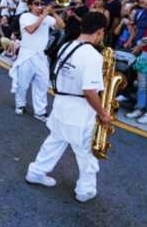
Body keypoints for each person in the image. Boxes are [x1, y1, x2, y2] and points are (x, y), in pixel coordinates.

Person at [25, 12, 112, 203]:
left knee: (55, 140)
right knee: (86, 152)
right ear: (99, 32)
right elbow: (90, 91)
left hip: (61, 104)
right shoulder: (92, 56)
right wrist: (103, 113)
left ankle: (36, 172)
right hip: (80, 110)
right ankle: (85, 190)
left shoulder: (66, 46)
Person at [10, 0, 63, 120]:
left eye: (42, 4)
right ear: (30, 5)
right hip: (27, 54)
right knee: (23, 83)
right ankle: (20, 104)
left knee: (42, 84)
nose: (40, 6)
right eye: (37, 4)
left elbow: (61, 26)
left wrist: (54, 13)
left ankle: (40, 111)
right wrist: (43, 15)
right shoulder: (25, 16)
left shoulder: (47, 18)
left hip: (41, 55)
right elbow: (31, 30)